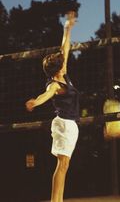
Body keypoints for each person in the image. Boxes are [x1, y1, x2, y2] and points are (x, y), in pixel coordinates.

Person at [26, 11, 79, 202]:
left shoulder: (62, 74)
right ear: (57, 69)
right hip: (64, 124)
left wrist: (67, 26)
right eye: (62, 62)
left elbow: (65, 47)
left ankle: (58, 199)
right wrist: (35, 102)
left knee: (64, 165)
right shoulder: (54, 84)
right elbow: (45, 95)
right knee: (62, 164)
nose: (65, 61)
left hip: (68, 124)